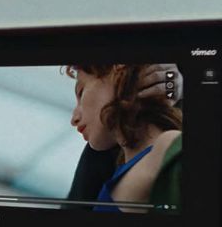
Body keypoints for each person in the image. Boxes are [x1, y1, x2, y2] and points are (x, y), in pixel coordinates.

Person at [65, 64, 184, 212]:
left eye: (81, 92)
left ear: (118, 73)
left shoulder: (168, 144)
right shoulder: (114, 170)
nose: (74, 119)